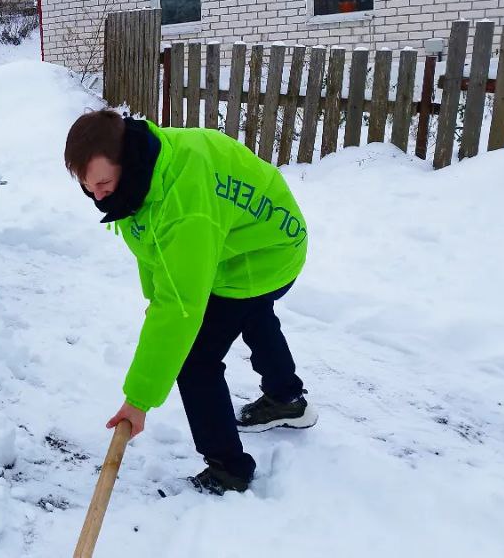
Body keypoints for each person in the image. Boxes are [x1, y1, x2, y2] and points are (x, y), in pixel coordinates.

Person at [63, 109, 316, 495]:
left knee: (196, 358)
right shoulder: (149, 167)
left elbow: (180, 307)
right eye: (88, 187)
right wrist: (155, 296)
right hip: (258, 238)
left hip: (264, 254)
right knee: (253, 311)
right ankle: (286, 398)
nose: (97, 196)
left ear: (126, 162)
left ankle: (229, 469)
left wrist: (139, 400)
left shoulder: (184, 205)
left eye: (103, 183)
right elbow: (154, 247)